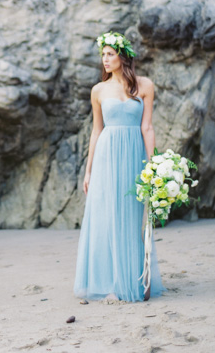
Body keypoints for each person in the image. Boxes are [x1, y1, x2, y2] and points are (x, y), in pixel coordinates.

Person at [73, 31, 164, 302]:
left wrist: (153, 166)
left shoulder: (145, 86)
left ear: (123, 56)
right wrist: (88, 171)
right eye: (103, 55)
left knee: (132, 217)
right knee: (108, 217)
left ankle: (136, 278)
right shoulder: (98, 91)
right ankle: (113, 283)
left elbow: (147, 127)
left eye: (110, 54)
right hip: (107, 157)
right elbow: (96, 131)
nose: (105, 59)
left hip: (134, 156)